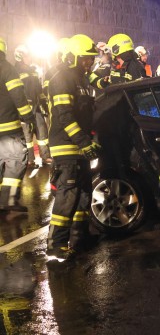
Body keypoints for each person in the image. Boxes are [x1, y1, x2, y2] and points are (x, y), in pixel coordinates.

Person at [47, 34, 101, 260]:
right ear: (74, 57)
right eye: (86, 58)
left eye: (91, 58)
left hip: (80, 146)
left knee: (83, 194)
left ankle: (80, 238)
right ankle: (56, 245)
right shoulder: (62, 79)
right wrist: (83, 142)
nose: (90, 62)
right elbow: (64, 117)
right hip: (66, 147)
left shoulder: (82, 80)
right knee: (67, 196)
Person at [0, 37, 35, 213]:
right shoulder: (7, 68)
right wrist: (28, 115)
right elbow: (18, 96)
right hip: (7, 127)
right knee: (16, 163)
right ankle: (9, 201)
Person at [14, 45, 52, 166]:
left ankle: (45, 156)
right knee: (27, 135)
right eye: (27, 56)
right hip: (24, 110)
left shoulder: (33, 71)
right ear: (20, 57)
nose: (29, 58)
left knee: (42, 132)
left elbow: (39, 91)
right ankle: (29, 159)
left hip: (37, 108)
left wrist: (44, 105)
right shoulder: (15, 72)